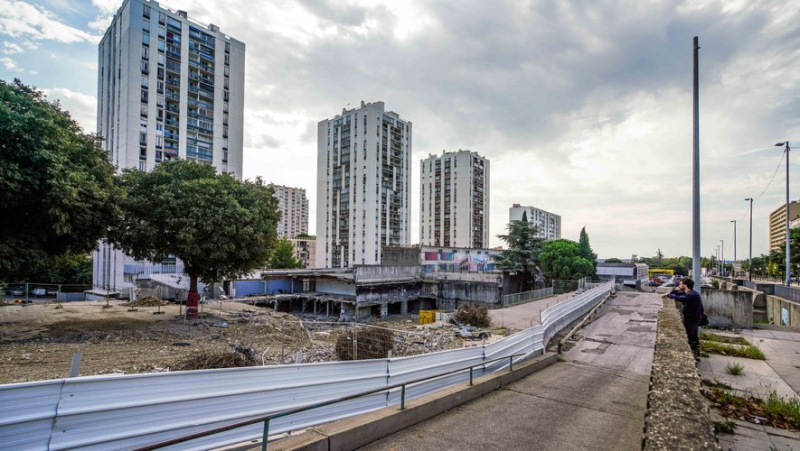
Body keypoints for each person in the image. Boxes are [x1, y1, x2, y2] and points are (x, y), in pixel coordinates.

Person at [662, 277, 704, 359]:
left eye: (680, 284)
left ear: (685, 285)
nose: (679, 285)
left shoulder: (692, 295)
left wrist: (668, 295)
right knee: (693, 335)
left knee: (688, 335)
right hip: (692, 318)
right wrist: (675, 290)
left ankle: (692, 354)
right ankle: (695, 352)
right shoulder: (689, 293)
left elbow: (680, 298)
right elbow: (677, 295)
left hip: (692, 319)